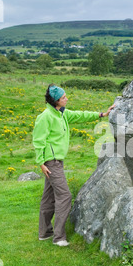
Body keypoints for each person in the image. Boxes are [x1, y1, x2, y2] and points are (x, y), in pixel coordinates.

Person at [32, 84, 115, 246]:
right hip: (51, 162)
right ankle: (59, 237)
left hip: (56, 161)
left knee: (48, 197)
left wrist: (102, 114)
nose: (67, 99)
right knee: (65, 196)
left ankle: (44, 232)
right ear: (56, 100)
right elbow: (38, 140)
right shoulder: (46, 117)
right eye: (64, 97)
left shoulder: (62, 114)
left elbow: (80, 115)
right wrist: (41, 163)